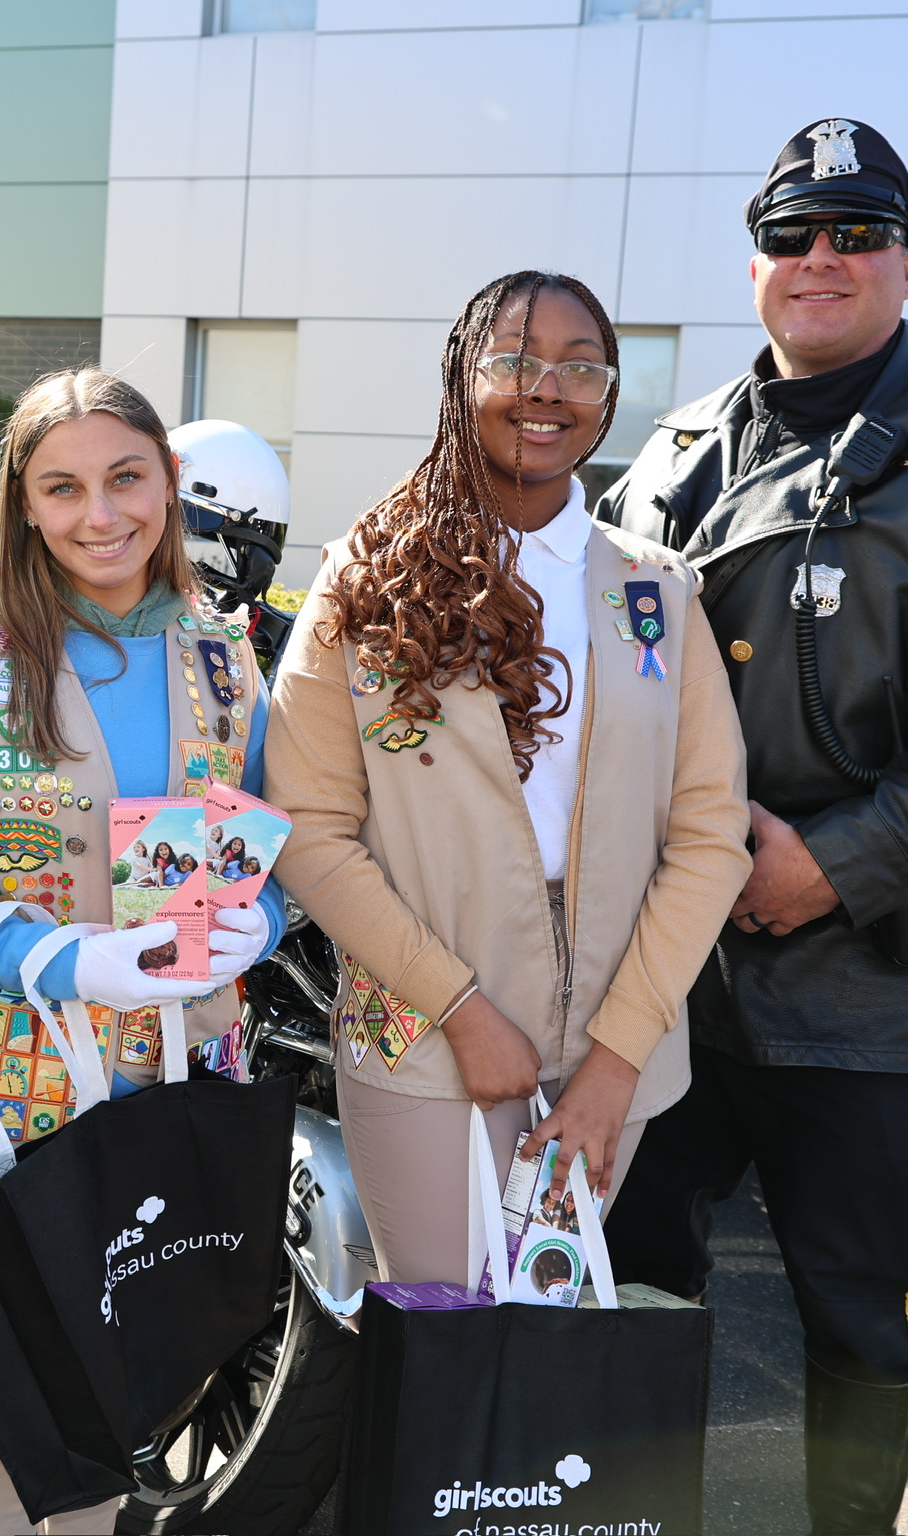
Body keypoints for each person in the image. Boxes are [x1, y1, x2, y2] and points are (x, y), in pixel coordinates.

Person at [594, 120, 908, 1534]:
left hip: (862, 993)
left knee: (864, 1335)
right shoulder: (675, 453)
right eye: (790, 234)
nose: (820, 258)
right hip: (663, 980)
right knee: (625, 1291)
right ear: (752, 262)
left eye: (856, 234)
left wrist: (835, 862)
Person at [0, 368, 288, 1535]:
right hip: (15, 1091)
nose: (101, 514)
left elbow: (263, 848)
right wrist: (63, 963)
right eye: (63, 487)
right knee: (60, 1424)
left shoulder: (226, 655)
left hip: (180, 1076)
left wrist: (264, 920)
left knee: (143, 1398)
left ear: (169, 483)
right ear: (24, 505)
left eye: (126, 478)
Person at [262, 271, 751, 1294]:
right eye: (516, 361)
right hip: (425, 1036)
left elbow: (710, 834)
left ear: (609, 398)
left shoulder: (656, 593)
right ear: (460, 378)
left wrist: (618, 1060)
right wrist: (463, 1012)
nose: (548, 390)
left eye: (581, 368)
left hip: (620, 1038)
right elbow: (308, 829)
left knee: (540, 1338)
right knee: (449, 1339)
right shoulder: (365, 577)